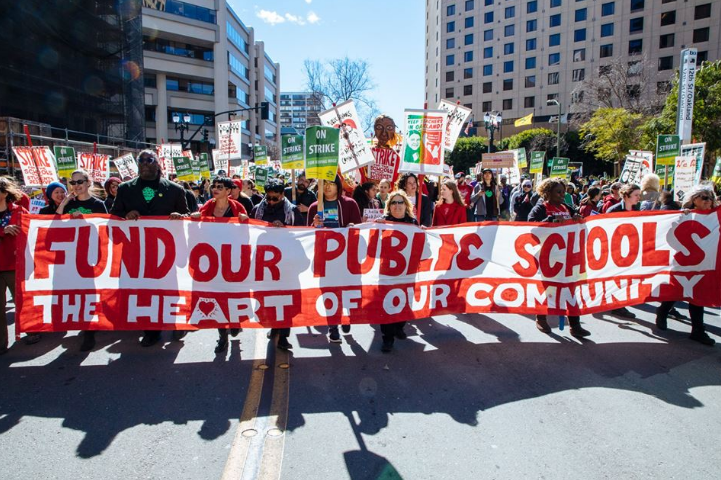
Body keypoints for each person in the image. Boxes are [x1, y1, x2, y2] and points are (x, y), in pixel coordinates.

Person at [111, 149, 190, 348]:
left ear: (158, 163)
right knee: (145, 291)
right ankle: (151, 330)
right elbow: (114, 216)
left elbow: (186, 215)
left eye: (149, 160)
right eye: (141, 161)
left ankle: (175, 322)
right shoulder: (125, 189)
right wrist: (126, 215)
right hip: (138, 251)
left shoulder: (174, 189)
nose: (145, 163)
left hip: (167, 251)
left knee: (171, 289)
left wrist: (177, 216)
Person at [655, 185, 718, 345]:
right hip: (683, 262)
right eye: (704, 197)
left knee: (698, 295)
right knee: (678, 290)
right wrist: (682, 217)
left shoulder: (715, 216)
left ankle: (698, 330)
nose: (708, 201)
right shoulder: (684, 215)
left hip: (704, 263)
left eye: (710, 197)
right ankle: (663, 311)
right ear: (694, 199)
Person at [528, 178, 591, 338]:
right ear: (547, 193)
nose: (563, 195)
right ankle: (541, 318)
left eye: (563, 192)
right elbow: (531, 226)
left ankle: (575, 326)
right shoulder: (540, 208)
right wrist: (551, 221)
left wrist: (577, 218)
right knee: (548, 290)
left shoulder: (567, 207)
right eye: (558, 192)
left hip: (568, 257)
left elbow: (579, 223)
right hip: (548, 258)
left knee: (570, 291)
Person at [191, 176, 248, 353]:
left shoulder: (238, 207)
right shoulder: (207, 206)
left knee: (233, 295)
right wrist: (194, 218)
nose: (215, 189)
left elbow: (248, 233)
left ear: (229, 191)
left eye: (220, 186)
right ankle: (222, 337)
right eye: (214, 186)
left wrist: (245, 220)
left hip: (233, 260)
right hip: (212, 261)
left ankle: (235, 322)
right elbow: (196, 229)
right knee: (216, 297)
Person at [252, 179, 304, 350]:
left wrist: (285, 228)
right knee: (269, 299)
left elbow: (302, 234)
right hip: (266, 265)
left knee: (287, 301)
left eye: (275, 198)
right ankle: (274, 325)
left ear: (283, 195)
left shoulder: (293, 212)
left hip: (287, 264)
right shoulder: (257, 210)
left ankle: (283, 336)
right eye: (268, 198)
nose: (271, 201)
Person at [308, 175, 361, 342]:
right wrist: (313, 225)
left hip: (345, 257)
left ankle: (345, 315)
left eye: (332, 184)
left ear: (339, 186)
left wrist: (352, 228)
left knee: (345, 291)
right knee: (329, 292)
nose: (329, 187)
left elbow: (359, 228)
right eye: (325, 184)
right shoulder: (314, 207)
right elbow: (307, 236)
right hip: (324, 258)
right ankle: (333, 327)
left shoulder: (350, 204)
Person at [374, 190, 417, 352]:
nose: (397, 206)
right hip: (386, 272)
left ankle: (399, 325)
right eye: (394, 202)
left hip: (408, 272)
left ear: (406, 206)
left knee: (405, 302)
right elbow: (371, 250)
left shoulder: (413, 223)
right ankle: (388, 338)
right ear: (389, 206)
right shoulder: (381, 223)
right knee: (386, 305)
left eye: (400, 202)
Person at [0, 177, 38, 354]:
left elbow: (31, 232)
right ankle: (1, 343)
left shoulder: (19, 211)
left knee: (22, 301)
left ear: (5, 193)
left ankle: (31, 330)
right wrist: (3, 230)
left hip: (15, 264)